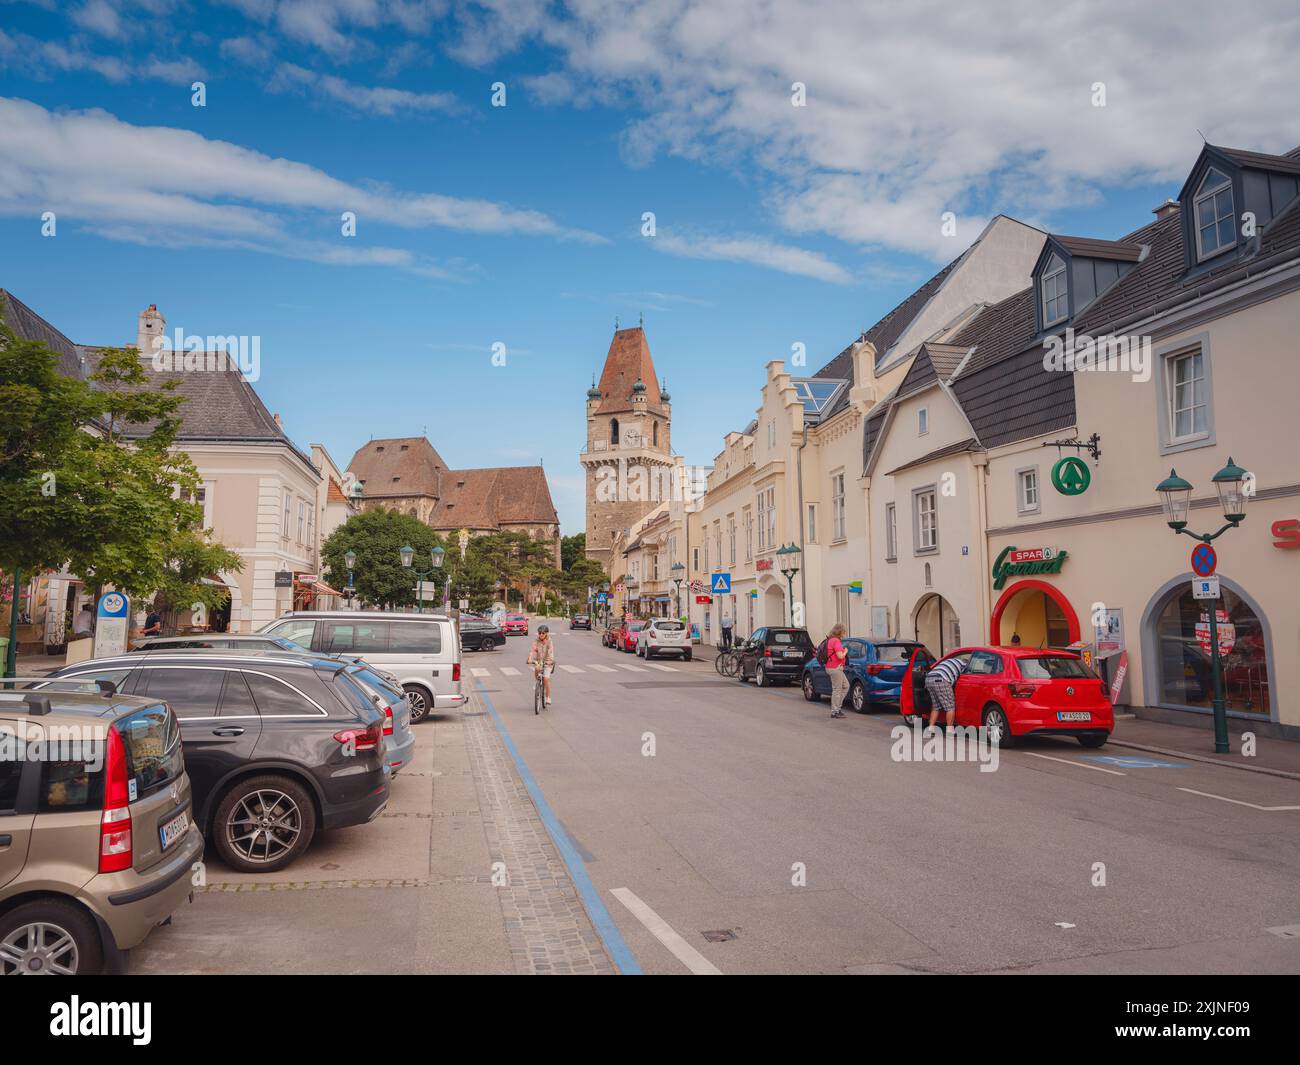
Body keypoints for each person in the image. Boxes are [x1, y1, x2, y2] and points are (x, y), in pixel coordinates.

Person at [925, 653, 967, 731]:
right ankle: (950, 729)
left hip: (929, 678)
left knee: (936, 706)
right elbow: (966, 675)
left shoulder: (950, 661)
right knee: (950, 706)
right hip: (941, 679)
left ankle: (931, 728)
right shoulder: (964, 665)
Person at [526, 624, 556, 706]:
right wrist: (530, 659)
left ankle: (548, 697)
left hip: (548, 661)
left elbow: (550, 652)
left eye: (543, 633)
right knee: (537, 668)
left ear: (546, 633)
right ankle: (537, 682)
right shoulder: (536, 640)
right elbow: (532, 650)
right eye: (539, 633)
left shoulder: (549, 641)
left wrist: (550, 661)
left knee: (546, 679)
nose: (541, 635)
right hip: (539, 660)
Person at [824, 623, 849, 719]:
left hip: (832, 667)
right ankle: (835, 711)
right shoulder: (836, 641)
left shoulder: (830, 640)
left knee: (846, 686)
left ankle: (837, 707)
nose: (844, 633)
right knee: (837, 690)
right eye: (844, 631)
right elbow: (840, 656)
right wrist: (845, 651)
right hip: (835, 668)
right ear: (840, 631)